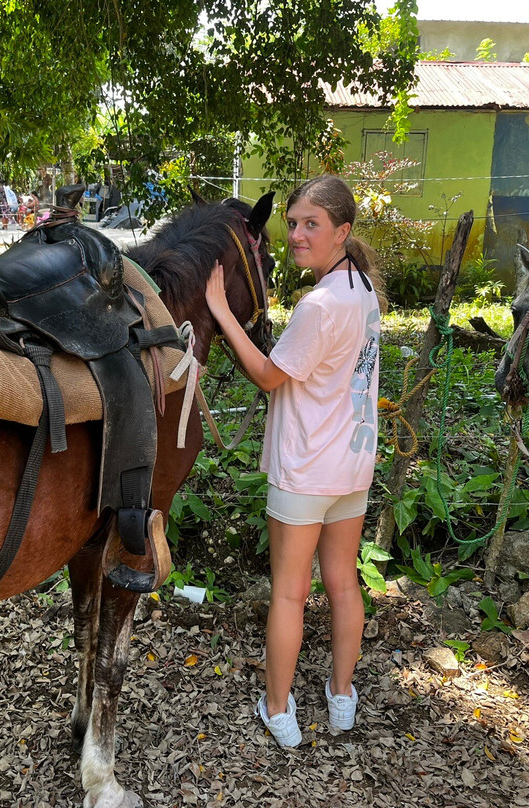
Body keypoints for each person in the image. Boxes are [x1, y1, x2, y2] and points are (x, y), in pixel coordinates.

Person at [204, 175, 386, 748]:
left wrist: (219, 308)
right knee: (342, 585)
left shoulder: (319, 304)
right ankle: (340, 700)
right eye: (294, 222)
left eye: (313, 224)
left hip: (306, 469)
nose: (298, 234)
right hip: (351, 468)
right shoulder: (362, 291)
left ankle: (279, 710)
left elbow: (266, 375)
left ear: (343, 231)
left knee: (289, 592)